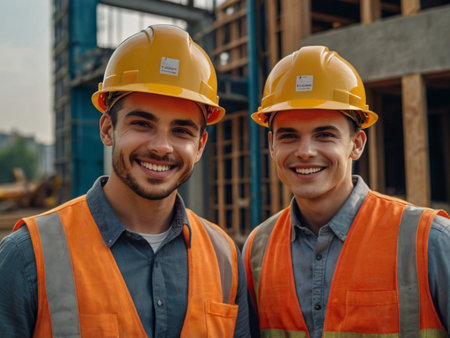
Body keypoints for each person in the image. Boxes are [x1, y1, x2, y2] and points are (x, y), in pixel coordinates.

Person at [0, 25, 250, 337]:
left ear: (199, 146)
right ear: (107, 129)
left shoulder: (224, 257)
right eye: (143, 124)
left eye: (182, 130)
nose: (161, 146)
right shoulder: (27, 256)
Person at [243, 45, 450, 337]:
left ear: (357, 144)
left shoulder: (430, 240)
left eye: (324, 135)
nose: (305, 152)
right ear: (272, 146)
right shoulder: (257, 250)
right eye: (289, 136)